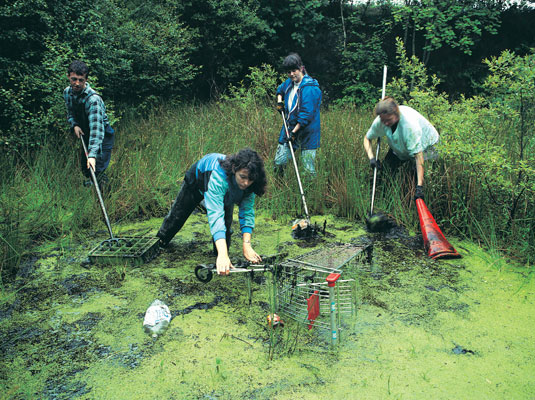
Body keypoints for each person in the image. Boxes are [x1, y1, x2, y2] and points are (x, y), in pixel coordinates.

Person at [156, 148, 267, 276]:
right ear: (234, 169)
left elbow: (247, 212)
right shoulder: (219, 176)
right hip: (198, 182)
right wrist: (223, 254)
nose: (246, 182)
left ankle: (219, 256)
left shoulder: (249, 185)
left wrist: (246, 245)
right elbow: (216, 216)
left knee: (226, 227)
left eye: (250, 179)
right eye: (242, 177)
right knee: (177, 216)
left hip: (227, 193)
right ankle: (160, 242)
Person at [363, 97, 439, 200]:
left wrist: (419, 187)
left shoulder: (409, 126)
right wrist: (372, 158)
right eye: (383, 120)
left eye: (388, 120)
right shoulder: (381, 120)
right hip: (400, 146)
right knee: (386, 170)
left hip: (427, 146)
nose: (385, 123)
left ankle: (411, 202)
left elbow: (418, 156)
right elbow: (367, 138)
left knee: (414, 176)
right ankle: (383, 199)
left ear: (396, 114)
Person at [63, 60, 115, 187]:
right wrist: (74, 125)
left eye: (81, 80)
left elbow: (97, 131)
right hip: (86, 132)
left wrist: (92, 155)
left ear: (86, 79)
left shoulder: (93, 100)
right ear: (68, 76)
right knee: (86, 169)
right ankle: (92, 183)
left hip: (102, 135)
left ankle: (105, 194)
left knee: (97, 169)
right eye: (74, 79)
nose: (77, 83)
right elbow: (70, 112)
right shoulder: (67, 93)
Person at [274, 53, 322, 176]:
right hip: (290, 128)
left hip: (307, 132)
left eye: (294, 70)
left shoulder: (309, 88)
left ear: (301, 68)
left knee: (307, 168)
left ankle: (309, 191)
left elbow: (306, 115)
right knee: (280, 161)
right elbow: (280, 89)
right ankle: (280, 186)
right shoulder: (289, 83)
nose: (291, 74)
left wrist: (294, 133)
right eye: (288, 72)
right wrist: (280, 103)